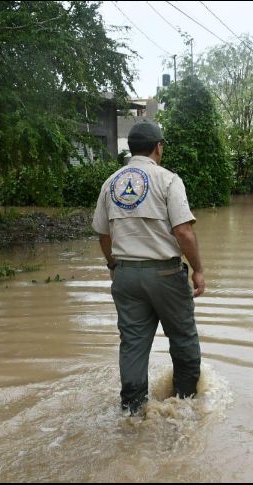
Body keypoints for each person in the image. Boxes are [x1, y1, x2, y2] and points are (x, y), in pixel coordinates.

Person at [92, 119, 205, 414]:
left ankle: (132, 409)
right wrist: (199, 270)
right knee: (182, 338)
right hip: (165, 274)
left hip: (126, 275)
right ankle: (186, 404)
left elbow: (104, 235)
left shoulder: (111, 183)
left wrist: (114, 266)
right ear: (158, 147)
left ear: (131, 149)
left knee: (132, 343)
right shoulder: (168, 179)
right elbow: (183, 232)